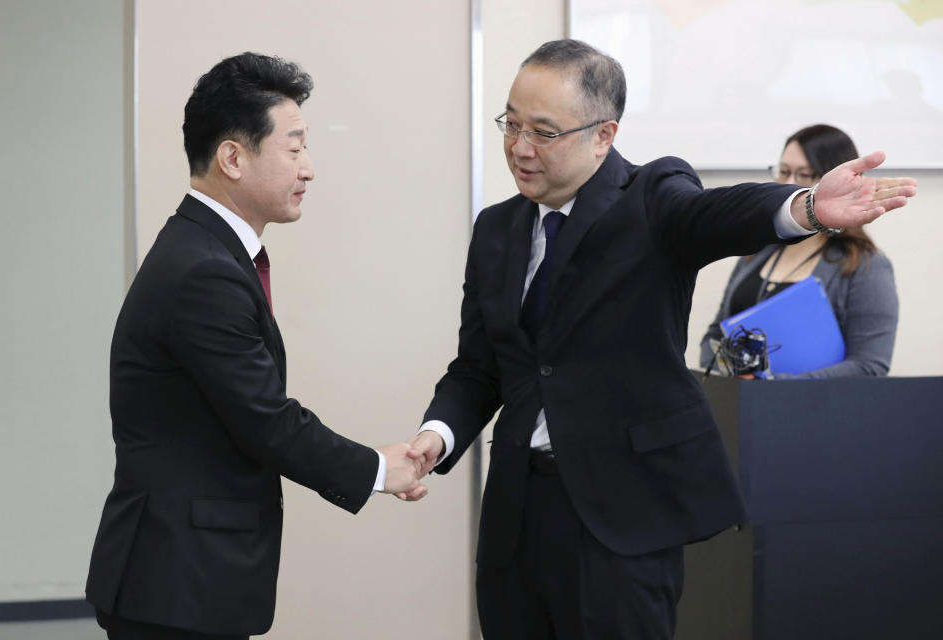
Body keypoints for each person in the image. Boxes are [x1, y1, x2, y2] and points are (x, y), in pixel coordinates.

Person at [403, 40, 916, 639]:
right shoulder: (496, 229)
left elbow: (718, 214)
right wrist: (435, 436)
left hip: (622, 523)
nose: (520, 148)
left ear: (603, 134)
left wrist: (804, 208)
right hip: (517, 518)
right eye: (511, 124)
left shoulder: (652, 197)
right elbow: (479, 367)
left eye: (543, 132)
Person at [85, 52, 428, 640]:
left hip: (178, 576)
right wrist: (377, 469)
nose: (309, 168)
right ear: (233, 158)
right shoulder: (203, 272)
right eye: (294, 148)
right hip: (174, 582)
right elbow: (265, 419)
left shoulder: (202, 251)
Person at [699, 124, 899, 378]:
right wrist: (721, 376)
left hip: (814, 410)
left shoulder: (865, 265)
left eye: (804, 175)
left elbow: (870, 365)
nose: (789, 184)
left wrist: (774, 386)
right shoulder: (758, 249)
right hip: (741, 407)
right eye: (783, 172)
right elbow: (717, 334)